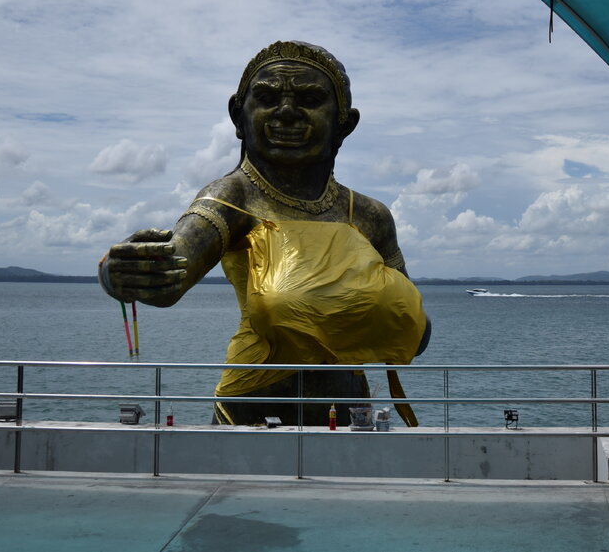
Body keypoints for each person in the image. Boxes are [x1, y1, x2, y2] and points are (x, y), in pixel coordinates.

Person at [98, 40, 429, 425]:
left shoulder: (369, 215)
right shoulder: (233, 197)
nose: (287, 112)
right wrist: (119, 272)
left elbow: (418, 335)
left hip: (347, 409)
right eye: (268, 97)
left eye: (310, 98)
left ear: (345, 123)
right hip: (253, 406)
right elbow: (174, 270)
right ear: (238, 116)